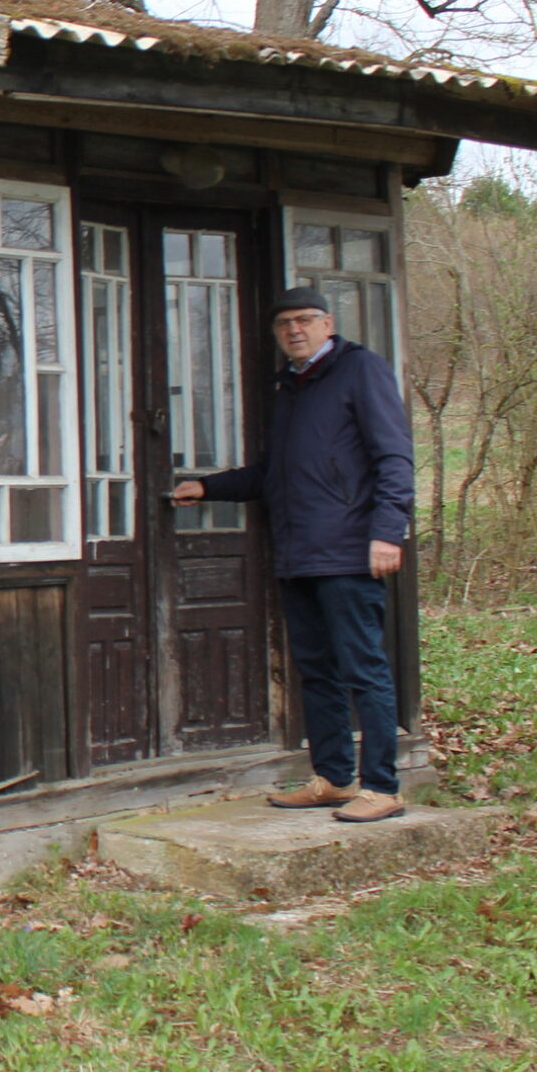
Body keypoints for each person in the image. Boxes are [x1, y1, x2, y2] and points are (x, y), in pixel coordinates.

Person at [173, 285, 415, 823]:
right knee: (317, 671)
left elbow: (395, 457)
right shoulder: (292, 386)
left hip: (351, 552)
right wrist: (209, 488)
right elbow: (274, 472)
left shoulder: (360, 370)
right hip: (299, 552)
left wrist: (387, 533)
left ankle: (383, 786)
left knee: (364, 668)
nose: (294, 331)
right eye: (284, 325)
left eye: (305, 320)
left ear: (328, 324)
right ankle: (333, 778)